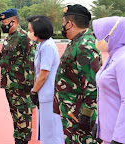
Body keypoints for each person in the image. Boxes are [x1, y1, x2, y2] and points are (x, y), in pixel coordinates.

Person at [53, 4, 102, 144]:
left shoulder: (85, 45)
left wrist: (86, 117)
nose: (62, 27)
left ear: (69, 24)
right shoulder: (77, 42)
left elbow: (92, 85)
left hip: (80, 117)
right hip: (72, 113)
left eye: (63, 24)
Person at [0, 8, 36, 144]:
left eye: (4, 22)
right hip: (10, 85)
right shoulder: (10, 37)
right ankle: (18, 140)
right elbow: (3, 58)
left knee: (23, 118)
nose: (2, 25)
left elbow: (31, 62)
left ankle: (23, 140)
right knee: (16, 117)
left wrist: (29, 86)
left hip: (21, 87)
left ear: (13, 21)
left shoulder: (24, 37)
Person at [27, 15, 64, 144]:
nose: (29, 33)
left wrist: (33, 91)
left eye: (31, 30)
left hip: (48, 94)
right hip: (44, 94)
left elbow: (44, 73)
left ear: (39, 30)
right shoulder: (42, 45)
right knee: (46, 130)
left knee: (51, 132)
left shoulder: (47, 46)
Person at [92, 16, 125, 144]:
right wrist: (98, 124)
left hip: (118, 136)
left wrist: (120, 138)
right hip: (109, 133)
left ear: (112, 35)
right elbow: (106, 95)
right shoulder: (113, 56)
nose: (97, 40)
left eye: (100, 36)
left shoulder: (122, 59)